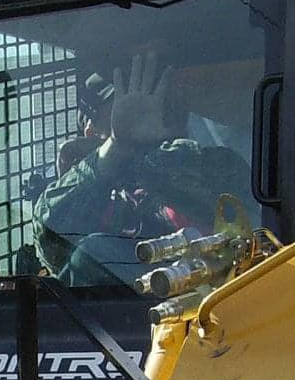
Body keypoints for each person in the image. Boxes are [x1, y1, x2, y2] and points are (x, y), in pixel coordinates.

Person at [32, 50, 248, 286]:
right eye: (121, 109)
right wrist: (114, 149)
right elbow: (51, 239)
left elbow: (229, 183)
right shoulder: (101, 187)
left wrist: (134, 153)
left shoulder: (205, 159)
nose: (134, 115)